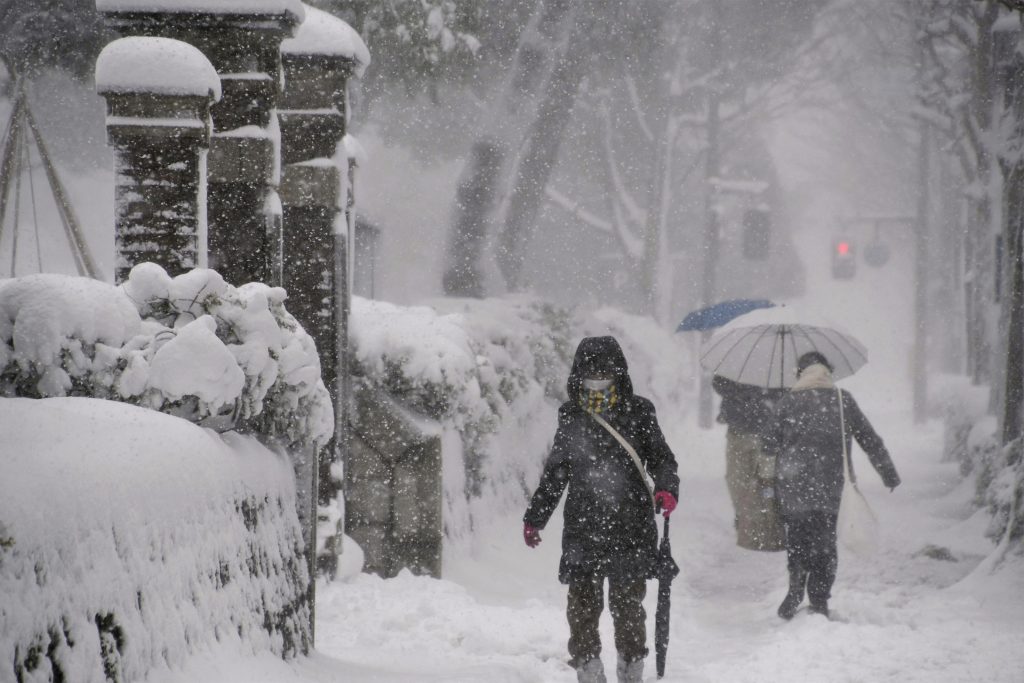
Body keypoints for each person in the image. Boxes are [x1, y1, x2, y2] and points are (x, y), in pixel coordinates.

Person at [523, 336, 679, 683]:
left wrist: (667, 488)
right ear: (579, 372)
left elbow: (661, 459)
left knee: (628, 607)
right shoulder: (571, 414)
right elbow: (557, 472)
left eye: (604, 369)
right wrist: (535, 518)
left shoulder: (640, 411)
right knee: (581, 607)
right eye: (590, 369)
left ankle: (631, 670)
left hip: (631, 526)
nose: (597, 375)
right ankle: (589, 671)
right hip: (583, 526)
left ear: (619, 371)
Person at [764, 351, 901, 620]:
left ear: (800, 373)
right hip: (830, 487)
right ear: (828, 371)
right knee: (824, 544)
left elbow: (768, 444)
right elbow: (870, 440)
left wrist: (770, 481)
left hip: (792, 485)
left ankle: (795, 588)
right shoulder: (842, 400)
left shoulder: (787, 402)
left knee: (798, 539)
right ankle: (819, 600)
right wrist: (889, 474)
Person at [712, 375, 787, 551]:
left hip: (768, 430)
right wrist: (745, 391)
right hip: (738, 429)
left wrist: (768, 394)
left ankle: (769, 526)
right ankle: (745, 517)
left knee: (767, 481)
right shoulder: (738, 360)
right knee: (736, 480)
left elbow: (788, 390)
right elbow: (719, 383)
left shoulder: (778, 359)